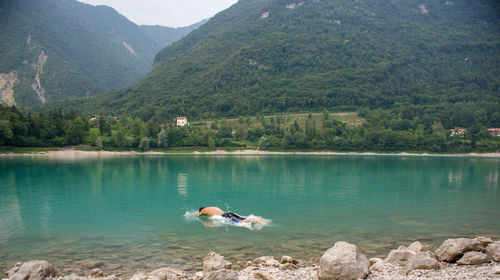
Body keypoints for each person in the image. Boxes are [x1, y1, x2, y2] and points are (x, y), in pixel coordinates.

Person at [196, 206, 267, 225]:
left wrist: (189, 215)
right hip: (229, 213)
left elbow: (197, 215)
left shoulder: (203, 210)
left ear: (202, 209)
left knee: (239, 222)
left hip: (225, 216)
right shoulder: (212, 207)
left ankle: (255, 220)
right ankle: (258, 219)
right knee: (242, 219)